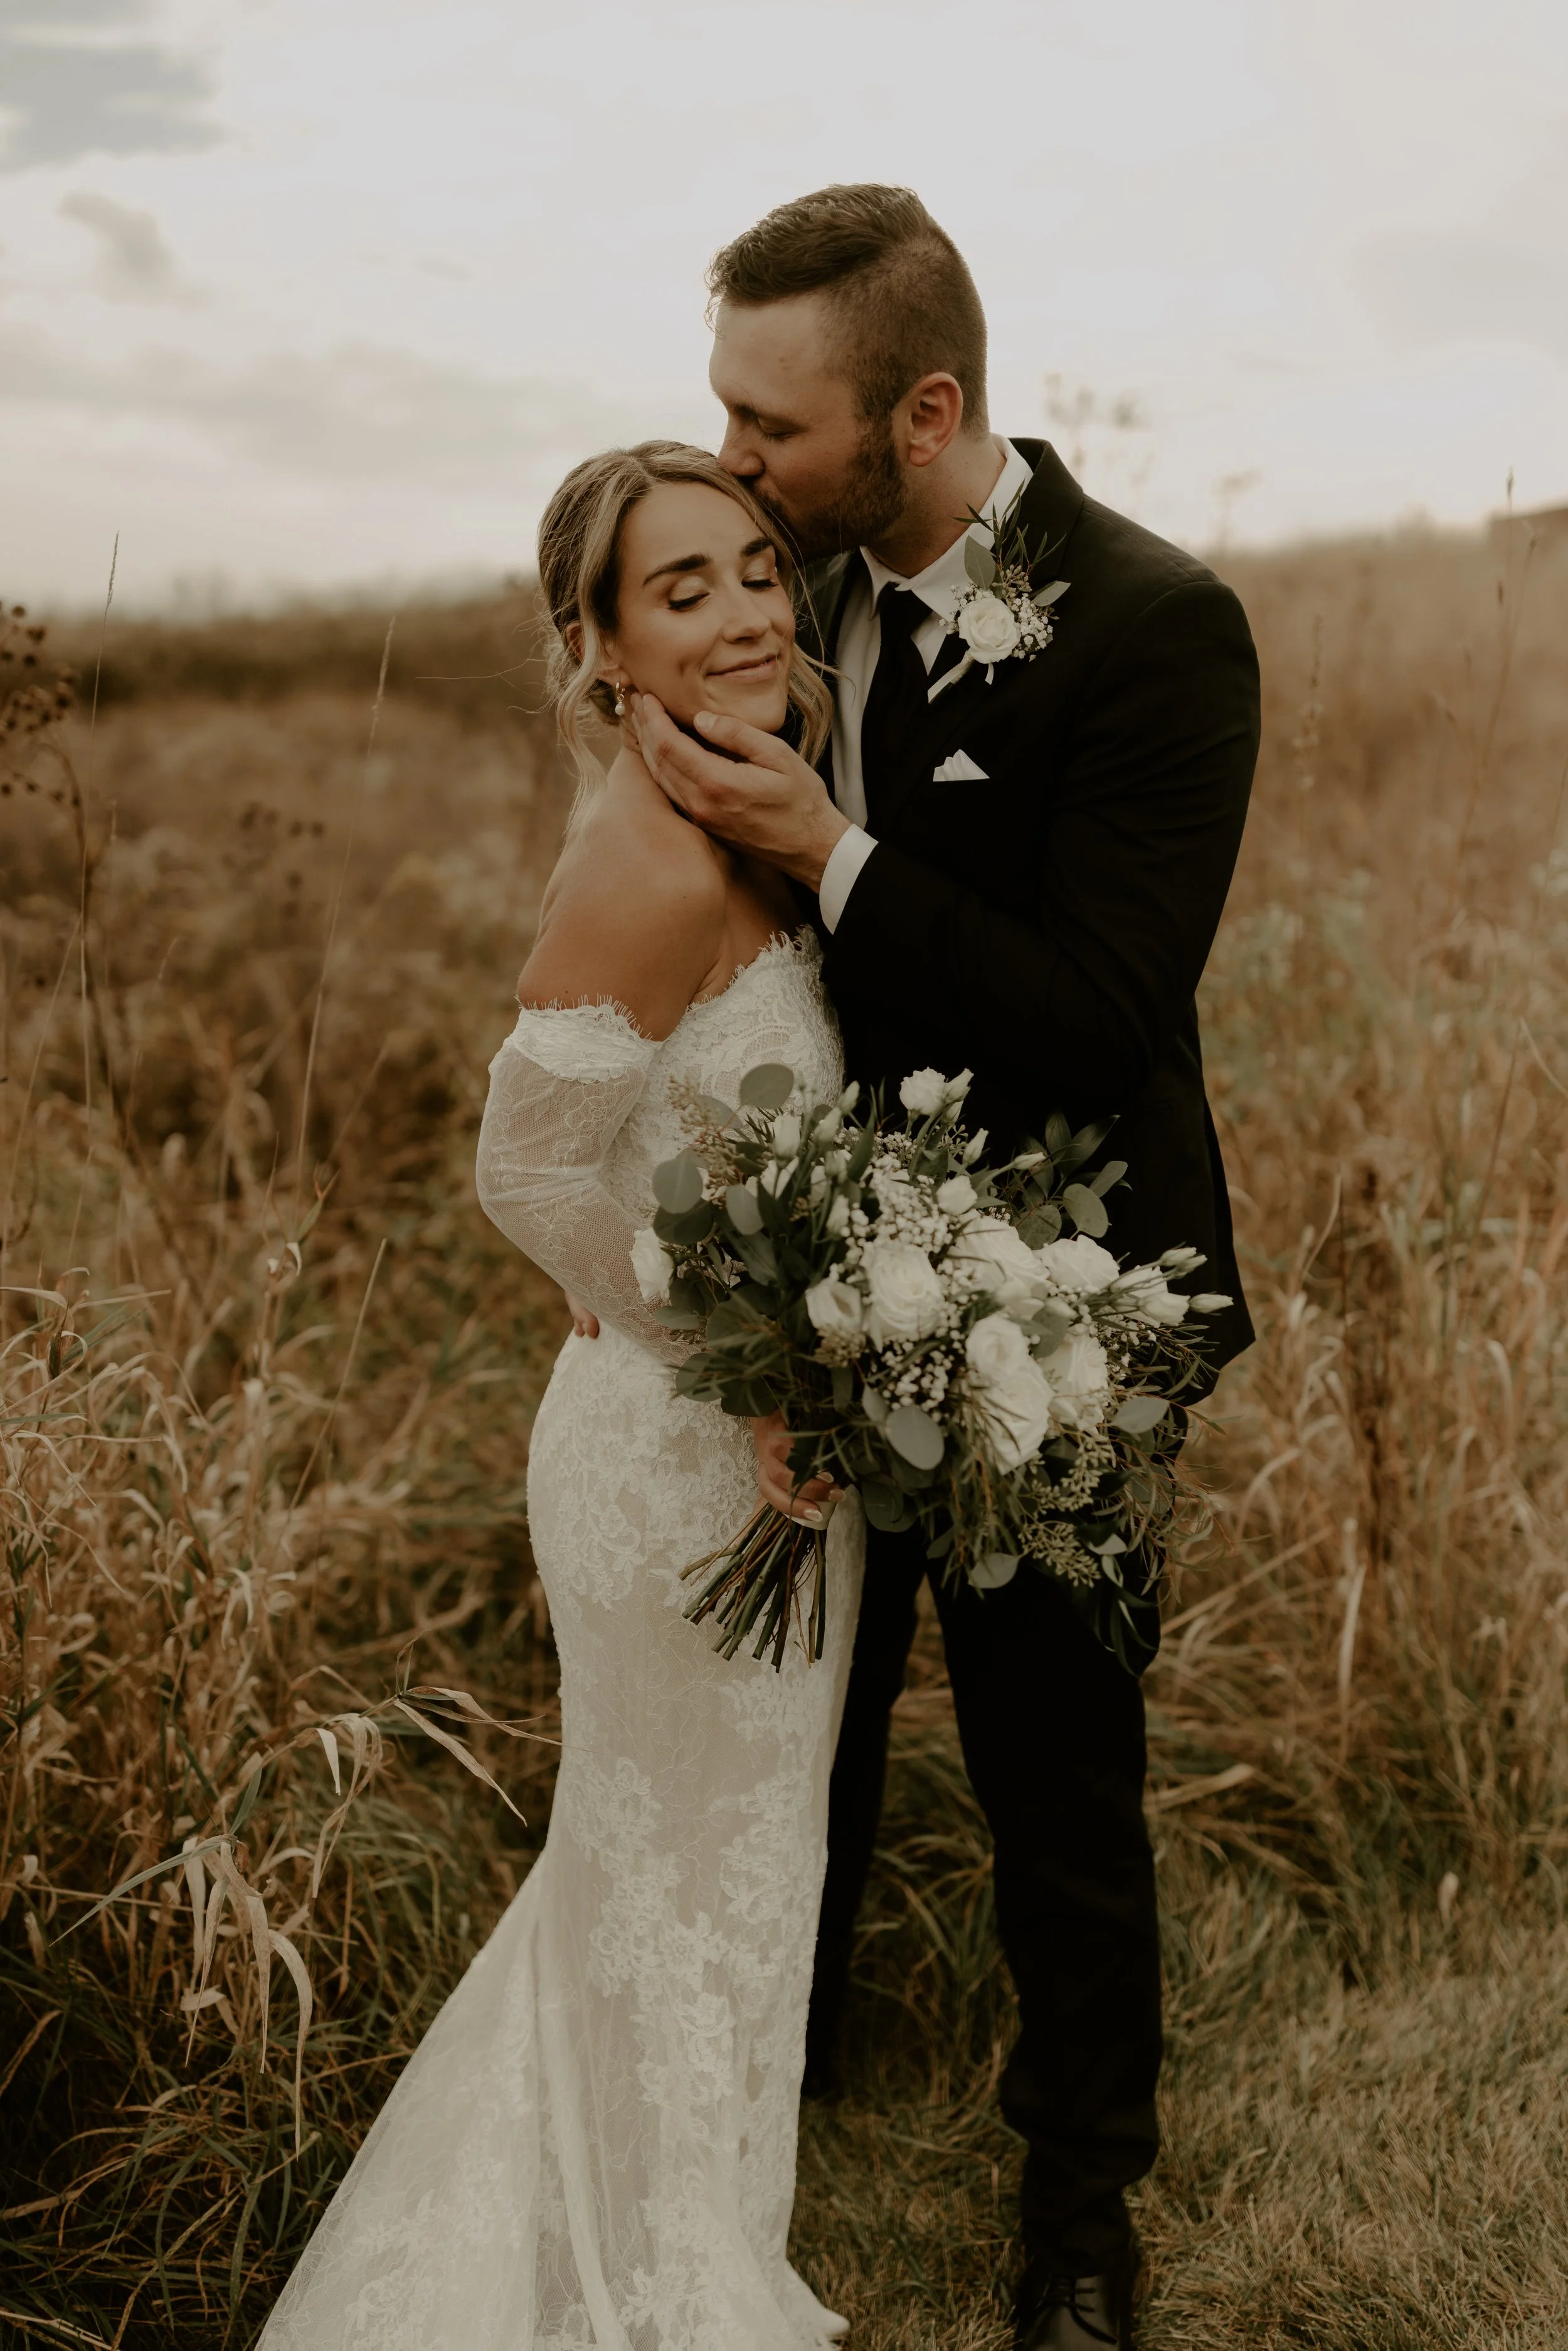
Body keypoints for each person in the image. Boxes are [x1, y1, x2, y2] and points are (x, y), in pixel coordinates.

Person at [629, 184, 1260, 2351]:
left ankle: (1079, 2216)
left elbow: (1102, 1007)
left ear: (920, 413)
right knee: (790, 1723)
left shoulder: (1158, 625)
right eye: (723, 410)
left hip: (1054, 1310)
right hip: (814, 1287)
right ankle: (767, 2114)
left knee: (1053, 1772)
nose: (731, 458)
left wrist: (834, 851)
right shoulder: (781, 593)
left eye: (770, 424)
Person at [260, 443, 866, 2351]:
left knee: (726, 1873)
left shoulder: (750, 814)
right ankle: (649, 2282)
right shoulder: (645, 858)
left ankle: (689, 2237)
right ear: (600, 649)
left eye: (754, 568)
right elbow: (523, 1174)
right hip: (672, 1468)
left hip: (757, 1455)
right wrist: (748, 1361)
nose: (744, 611)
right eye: (680, 590)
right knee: (663, 1875)